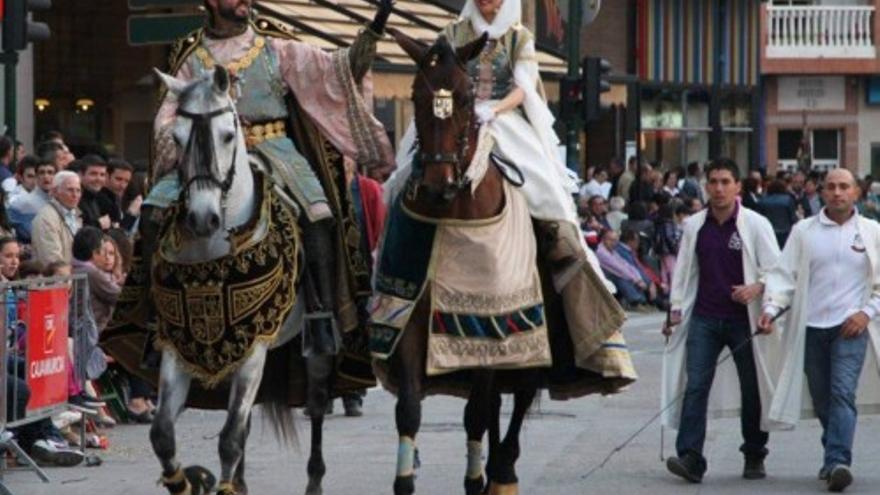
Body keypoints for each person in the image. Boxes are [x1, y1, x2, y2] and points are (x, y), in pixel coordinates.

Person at [145, 0, 395, 366]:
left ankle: (321, 314)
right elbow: (170, 110)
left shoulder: (277, 48)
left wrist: (373, 32)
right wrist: (174, 135)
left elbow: (338, 71)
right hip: (207, 153)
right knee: (152, 211)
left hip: (273, 145)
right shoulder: (190, 56)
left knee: (319, 213)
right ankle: (156, 321)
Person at [759, 168, 880, 492]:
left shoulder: (872, 232)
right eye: (831, 187)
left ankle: (838, 461)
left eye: (844, 187)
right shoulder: (804, 231)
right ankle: (833, 450)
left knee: (842, 392)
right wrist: (770, 310)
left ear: (857, 192)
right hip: (811, 328)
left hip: (850, 328)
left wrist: (866, 313)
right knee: (823, 398)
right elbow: (784, 275)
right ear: (821, 193)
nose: (837, 193)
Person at [661, 158, 781, 483]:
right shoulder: (694, 225)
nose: (718, 188)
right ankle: (690, 457)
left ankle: (754, 453)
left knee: (751, 389)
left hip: (744, 320)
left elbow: (778, 271)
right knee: (695, 386)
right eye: (713, 181)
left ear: (738, 186)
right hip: (704, 317)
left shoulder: (756, 224)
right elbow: (684, 273)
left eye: (725, 181)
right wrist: (674, 313)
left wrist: (757, 287)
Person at [31, 171, 82, 266]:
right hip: (57, 278)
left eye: (78, 190)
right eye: (70, 190)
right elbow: (51, 259)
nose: (75, 195)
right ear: (55, 192)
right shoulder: (45, 218)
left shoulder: (77, 215)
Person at [8, 158, 57, 242]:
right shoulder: (21, 203)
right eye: (42, 172)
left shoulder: (61, 200)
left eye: (50, 172)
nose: (46, 176)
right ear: (37, 176)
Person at [757, 179, 799, 248]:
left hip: (768, 233)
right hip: (785, 233)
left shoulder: (763, 201)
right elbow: (793, 218)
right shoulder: (788, 200)